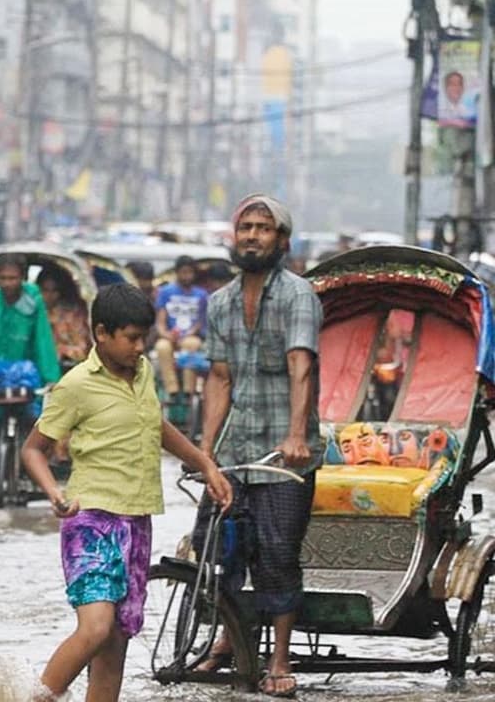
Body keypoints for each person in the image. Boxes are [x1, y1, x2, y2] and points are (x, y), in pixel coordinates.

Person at [22, 284, 232, 702]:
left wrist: (205, 463)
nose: (140, 347)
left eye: (143, 338)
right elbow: (33, 450)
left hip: (136, 521)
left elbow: (158, 427)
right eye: (131, 338)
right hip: (90, 517)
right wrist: (54, 493)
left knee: (116, 639)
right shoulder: (76, 385)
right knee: (96, 627)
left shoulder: (143, 373)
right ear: (102, 333)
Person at [195, 193, 322, 699]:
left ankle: (280, 658)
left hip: (283, 458)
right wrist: (205, 453)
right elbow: (219, 380)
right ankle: (228, 638)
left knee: (276, 554)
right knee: (218, 549)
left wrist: (295, 435)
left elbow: (301, 367)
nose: (252, 235)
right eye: (245, 227)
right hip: (234, 451)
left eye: (263, 228)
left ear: (281, 241)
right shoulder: (220, 302)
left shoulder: (298, 296)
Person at [0, 254, 61, 468]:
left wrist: (51, 377)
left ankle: (30, 468)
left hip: (25, 376)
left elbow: (42, 337)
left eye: (13, 278)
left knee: (31, 423)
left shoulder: (33, 298)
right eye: (3, 278)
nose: (8, 284)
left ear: (23, 279)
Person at [153, 255, 210, 402]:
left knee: (192, 344)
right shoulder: (165, 292)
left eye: (189, 272)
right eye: (183, 272)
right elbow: (161, 320)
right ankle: (171, 390)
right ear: (177, 272)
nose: (186, 276)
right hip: (169, 336)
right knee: (161, 347)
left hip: (190, 335)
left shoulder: (202, 295)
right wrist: (166, 334)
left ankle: (188, 391)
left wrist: (188, 333)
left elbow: (200, 321)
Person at [36, 267, 91, 367]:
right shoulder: (31, 312)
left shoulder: (72, 315)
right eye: (44, 290)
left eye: (54, 291)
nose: (49, 295)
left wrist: (60, 350)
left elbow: (82, 350)